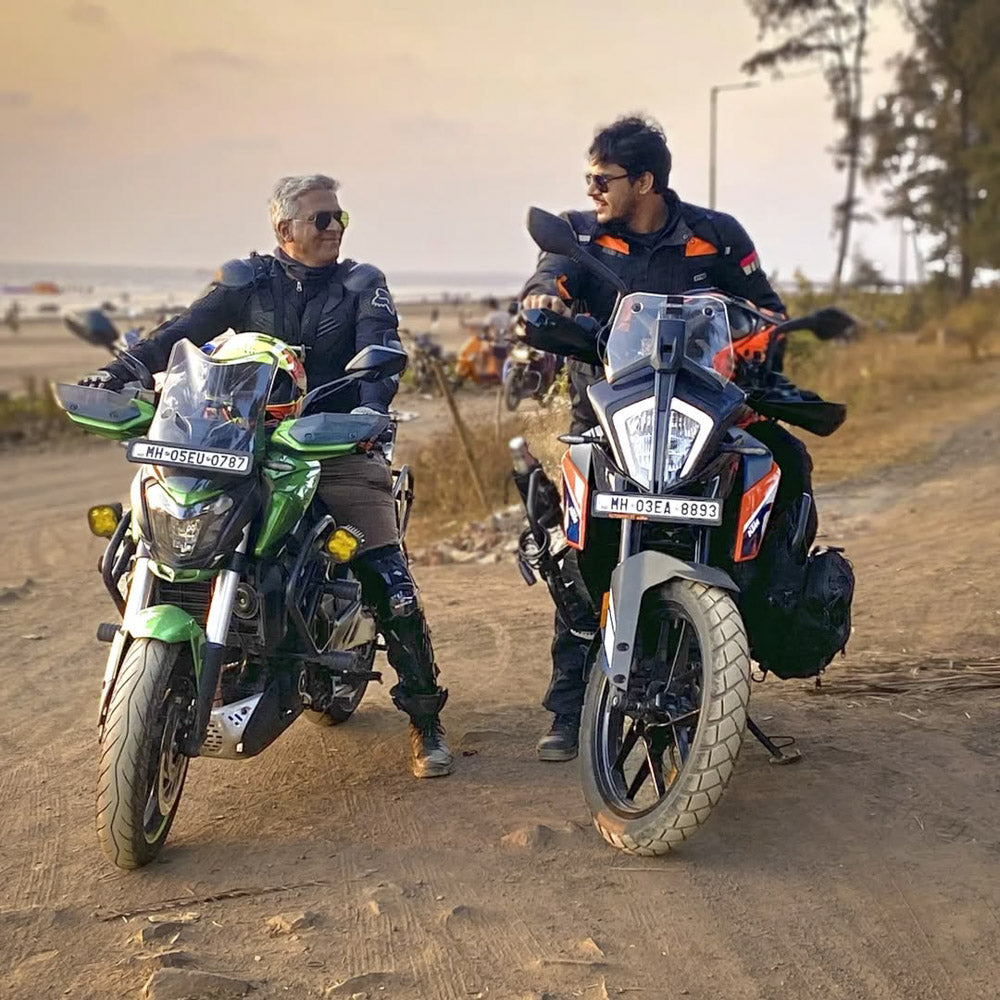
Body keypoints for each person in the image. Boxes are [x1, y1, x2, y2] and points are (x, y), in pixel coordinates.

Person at [78, 174, 453, 779]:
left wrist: (369, 410)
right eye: (323, 219)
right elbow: (184, 331)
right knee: (149, 533)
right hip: (242, 439)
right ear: (285, 230)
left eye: (340, 218)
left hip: (332, 441)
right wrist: (121, 369)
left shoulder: (362, 284)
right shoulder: (246, 280)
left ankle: (425, 719)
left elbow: (381, 351)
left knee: (387, 573)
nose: (336, 229)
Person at [520, 115, 813, 761]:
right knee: (579, 553)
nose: (593, 188)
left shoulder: (716, 236)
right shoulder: (580, 234)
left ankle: (774, 606)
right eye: (589, 177)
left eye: (604, 178)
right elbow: (549, 280)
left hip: (704, 420)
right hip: (610, 417)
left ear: (645, 180)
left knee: (788, 463)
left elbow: (767, 307)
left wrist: (763, 337)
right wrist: (543, 302)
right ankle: (568, 706)